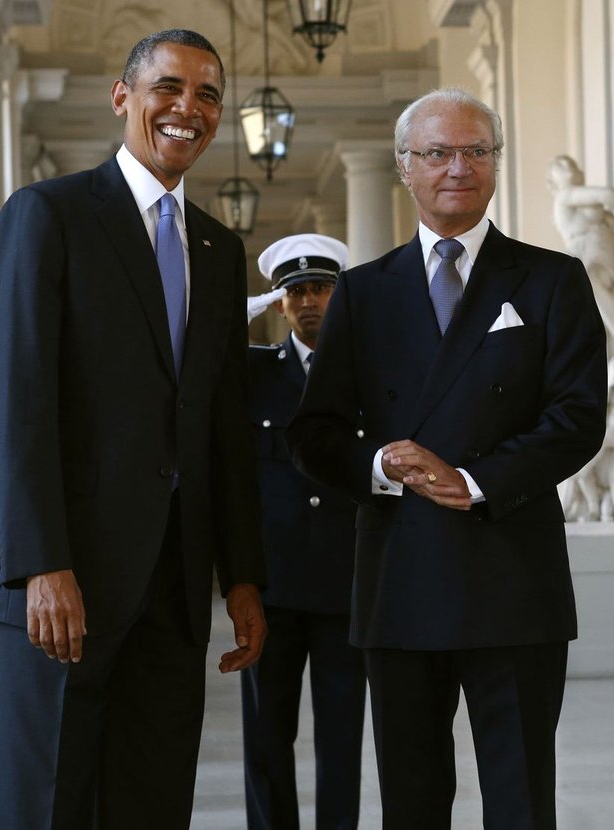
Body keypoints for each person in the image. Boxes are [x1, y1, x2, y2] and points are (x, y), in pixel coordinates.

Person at [0, 29, 267, 829]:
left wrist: (241, 575)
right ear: (124, 96)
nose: (187, 110)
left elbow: (223, 427)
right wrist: (41, 563)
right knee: (49, 802)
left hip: (173, 583)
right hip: (63, 581)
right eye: (169, 87)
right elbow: (17, 399)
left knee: (153, 799)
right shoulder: (47, 215)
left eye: (207, 96)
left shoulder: (220, 248)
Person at [285, 88, 608, 829]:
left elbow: (578, 418)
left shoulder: (551, 278)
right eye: (437, 152)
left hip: (514, 580)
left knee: (522, 801)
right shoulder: (363, 293)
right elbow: (315, 432)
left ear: (496, 163)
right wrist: (380, 466)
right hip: (401, 580)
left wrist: (473, 480)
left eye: (475, 151)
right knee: (413, 802)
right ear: (405, 167)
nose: (457, 167)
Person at [241, 234, 365, 829]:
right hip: (271, 590)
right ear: (279, 303)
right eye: (295, 292)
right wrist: (246, 309)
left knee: (341, 743)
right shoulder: (252, 374)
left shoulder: (366, 378)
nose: (309, 301)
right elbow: (184, 347)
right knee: (266, 740)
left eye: (320, 288)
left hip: (346, 589)